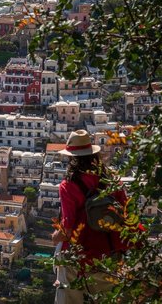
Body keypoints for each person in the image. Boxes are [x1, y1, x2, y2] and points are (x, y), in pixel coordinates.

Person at [52, 130, 130, 303]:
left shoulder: (68, 185)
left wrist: (55, 237)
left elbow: (68, 227)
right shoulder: (112, 179)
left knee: (68, 294)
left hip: (79, 252)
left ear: (72, 157)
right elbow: (125, 212)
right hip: (110, 248)